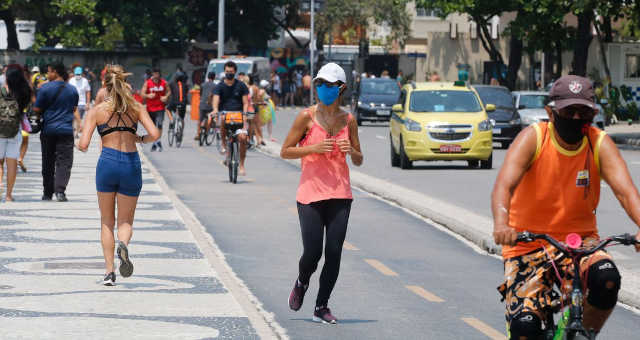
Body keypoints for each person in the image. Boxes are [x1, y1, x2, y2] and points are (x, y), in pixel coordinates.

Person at [492, 75, 640, 339]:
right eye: (568, 111)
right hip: (528, 245)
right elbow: (504, 186)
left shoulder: (598, 143)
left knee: (607, 279)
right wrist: (502, 224)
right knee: (525, 327)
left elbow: (626, 193)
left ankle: (582, 335)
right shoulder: (533, 138)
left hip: (581, 244)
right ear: (551, 112)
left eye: (582, 112)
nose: (575, 118)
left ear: (593, 114)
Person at [280, 63, 363, 324]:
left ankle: (321, 306)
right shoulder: (306, 117)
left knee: (334, 252)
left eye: (328, 85)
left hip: (340, 193)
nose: (323, 89)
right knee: (313, 252)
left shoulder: (348, 120)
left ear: (341, 88)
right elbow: (285, 151)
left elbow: (359, 160)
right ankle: (302, 281)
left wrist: (352, 150)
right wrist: (313, 147)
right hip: (310, 195)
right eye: (319, 84)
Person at [78, 64, 160, 286]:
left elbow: (83, 144)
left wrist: (81, 143)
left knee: (106, 220)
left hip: (107, 163)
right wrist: (139, 139)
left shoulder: (98, 111)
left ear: (105, 86)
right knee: (125, 220)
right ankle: (123, 244)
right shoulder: (136, 107)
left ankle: (108, 272)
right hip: (131, 163)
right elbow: (154, 133)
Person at [33, 62, 80, 202]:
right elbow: (73, 108)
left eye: (49, 72)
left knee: (47, 161)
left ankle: (47, 192)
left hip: (48, 130)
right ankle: (60, 191)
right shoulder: (72, 90)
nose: (47, 75)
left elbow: (36, 109)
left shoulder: (45, 88)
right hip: (65, 130)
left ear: (55, 72)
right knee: (64, 162)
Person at [212, 61, 249, 175]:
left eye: (231, 72)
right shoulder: (219, 86)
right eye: (227, 72)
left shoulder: (241, 85)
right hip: (225, 114)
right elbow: (216, 100)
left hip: (239, 115)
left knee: (242, 138)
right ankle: (224, 144)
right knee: (222, 118)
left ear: (235, 72)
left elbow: (245, 103)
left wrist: (245, 114)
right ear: (224, 71)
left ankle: (242, 165)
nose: (229, 73)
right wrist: (215, 110)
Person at [0, 66, 32, 201]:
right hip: (15, 131)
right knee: (11, 162)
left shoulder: (1, 90)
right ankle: (8, 195)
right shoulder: (24, 91)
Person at [141, 68, 170, 152]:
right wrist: (148, 95)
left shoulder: (164, 83)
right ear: (152, 75)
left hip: (160, 108)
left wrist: (166, 97)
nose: (156, 76)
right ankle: (155, 143)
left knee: (160, 124)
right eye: (154, 74)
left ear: (159, 74)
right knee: (153, 127)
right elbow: (142, 94)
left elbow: (169, 91)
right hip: (150, 108)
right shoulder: (148, 83)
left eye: (157, 74)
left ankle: (158, 141)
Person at [69, 66, 92, 138]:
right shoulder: (71, 80)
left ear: (81, 74)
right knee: (74, 119)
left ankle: (76, 133)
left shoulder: (85, 81)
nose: (78, 76)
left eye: (79, 74)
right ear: (74, 74)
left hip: (82, 103)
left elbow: (88, 92)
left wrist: (88, 103)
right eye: (76, 74)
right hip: (72, 103)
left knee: (79, 119)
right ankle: (74, 133)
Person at [196, 72, 216, 140]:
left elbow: (200, 94)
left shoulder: (202, 84)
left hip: (202, 104)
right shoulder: (215, 86)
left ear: (208, 77)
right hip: (210, 106)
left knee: (200, 120)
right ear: (214, 77)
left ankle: (198, 134)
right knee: (210, 118)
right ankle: (207, 131)